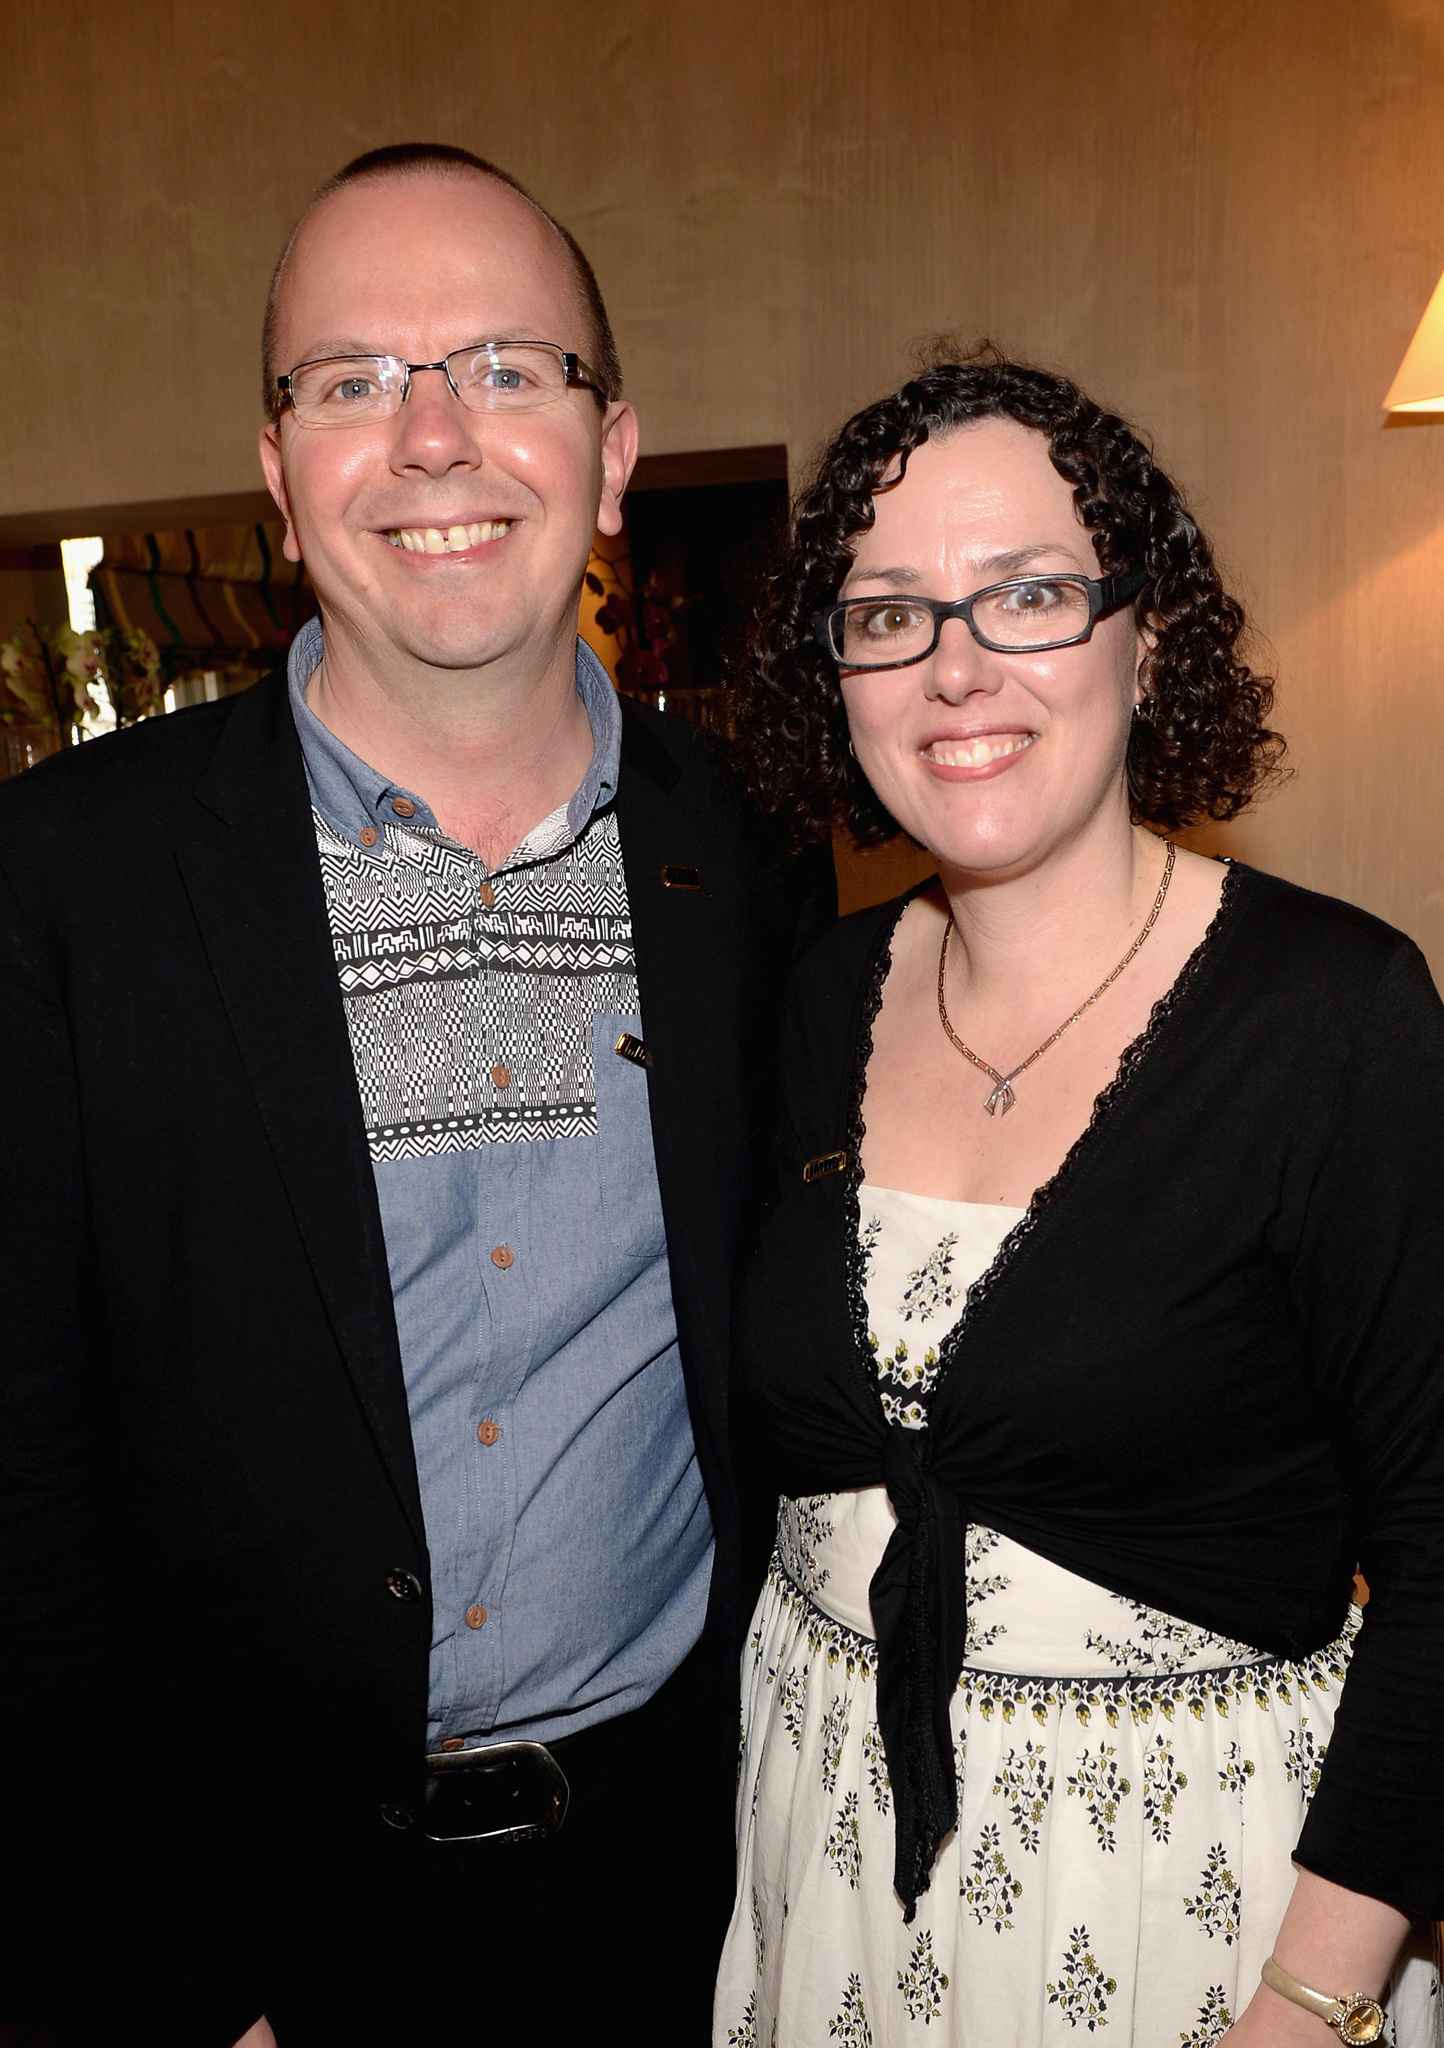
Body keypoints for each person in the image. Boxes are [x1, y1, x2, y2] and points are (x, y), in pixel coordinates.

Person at [0, 144, 831, 2045]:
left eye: (505, 368)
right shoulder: (61, 888)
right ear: (280, 475)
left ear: (615, 453)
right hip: (247, 1927)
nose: (435, 434)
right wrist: (157, 1965)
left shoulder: (754, 852)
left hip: (680, 1899)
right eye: (355, 378)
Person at [713, 350, 1444, 2046]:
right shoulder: (820, 999)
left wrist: (1308, 2008)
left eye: (1030, 593)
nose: (956, 666)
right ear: (839, 676)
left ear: (1147, 632)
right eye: (889, 614)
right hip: (824, 1861)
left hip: (1199, 1907)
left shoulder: (1334, 1019)